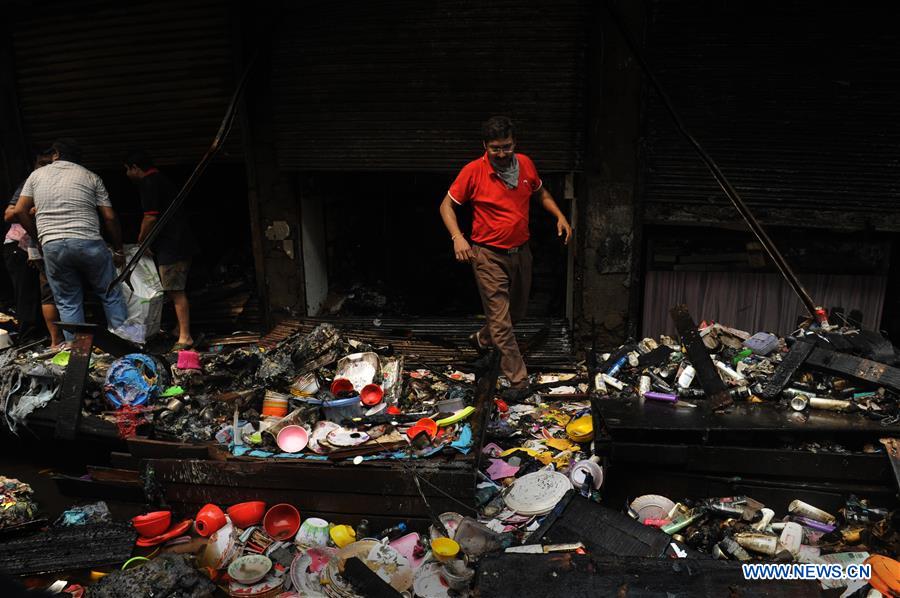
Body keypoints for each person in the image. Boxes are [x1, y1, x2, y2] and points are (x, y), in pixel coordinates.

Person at [439, 116, 572, 400]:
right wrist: (457, 237)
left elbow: (541, 192)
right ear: (485, 146)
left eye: (507, 147)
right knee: (502, 323)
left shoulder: (525, 164)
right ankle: (518, 382)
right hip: (487, 256)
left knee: (516, 314)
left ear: (515, 144)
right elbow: (446, 205)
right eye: (495, 148)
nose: (501, 154)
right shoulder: (473, 171)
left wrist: (559, 215)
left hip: (521, 252)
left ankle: (481, 338)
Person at [13, 138, 128, 342]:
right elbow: (110, 217)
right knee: (110, 294)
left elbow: (20, 210)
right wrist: (118, 249)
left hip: (53, 245)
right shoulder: (91, 176)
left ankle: (78, 355)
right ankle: (124, 347)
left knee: (68, 301)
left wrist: (38, 236)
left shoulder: (36, 176)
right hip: (88, 241)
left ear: (56, 154)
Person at [124, 150, 197, 349]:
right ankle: (177, 330)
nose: (127, 174)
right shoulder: (161, 180)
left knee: (175, 290)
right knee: (175, 289)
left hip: (173, 245)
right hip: (179, 242)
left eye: (127, 170)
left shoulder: (148, 184)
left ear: (135, 168)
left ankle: (185, 337)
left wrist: (142, 242)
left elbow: (150, 217)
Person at [3, 151, 63, 347]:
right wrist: (32, 209)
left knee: (42, 294)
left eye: (50, 163)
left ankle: (42, 336)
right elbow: (10, 214)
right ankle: (28, 338)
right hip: (19, 245)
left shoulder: (57, 184)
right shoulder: (30, 182)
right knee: (27, 294)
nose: (46, 167)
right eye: (42, 163)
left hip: (40, 246)